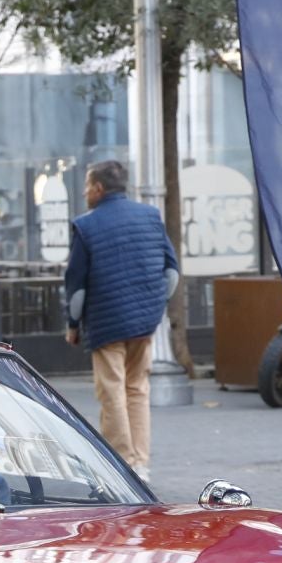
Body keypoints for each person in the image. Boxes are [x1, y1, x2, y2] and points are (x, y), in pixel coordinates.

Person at [62, 159, 179, 480]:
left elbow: (76, 289)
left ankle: (122, 466)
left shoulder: (85, 227)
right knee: (137, 389)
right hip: (144, 324)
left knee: (112, 391)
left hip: (106, 323)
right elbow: (171, 273)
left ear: (99, 188)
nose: (85, 192)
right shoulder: (150, 216)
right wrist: (154, 308)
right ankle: (141, 463)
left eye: (87, 185)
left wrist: (72, 325)